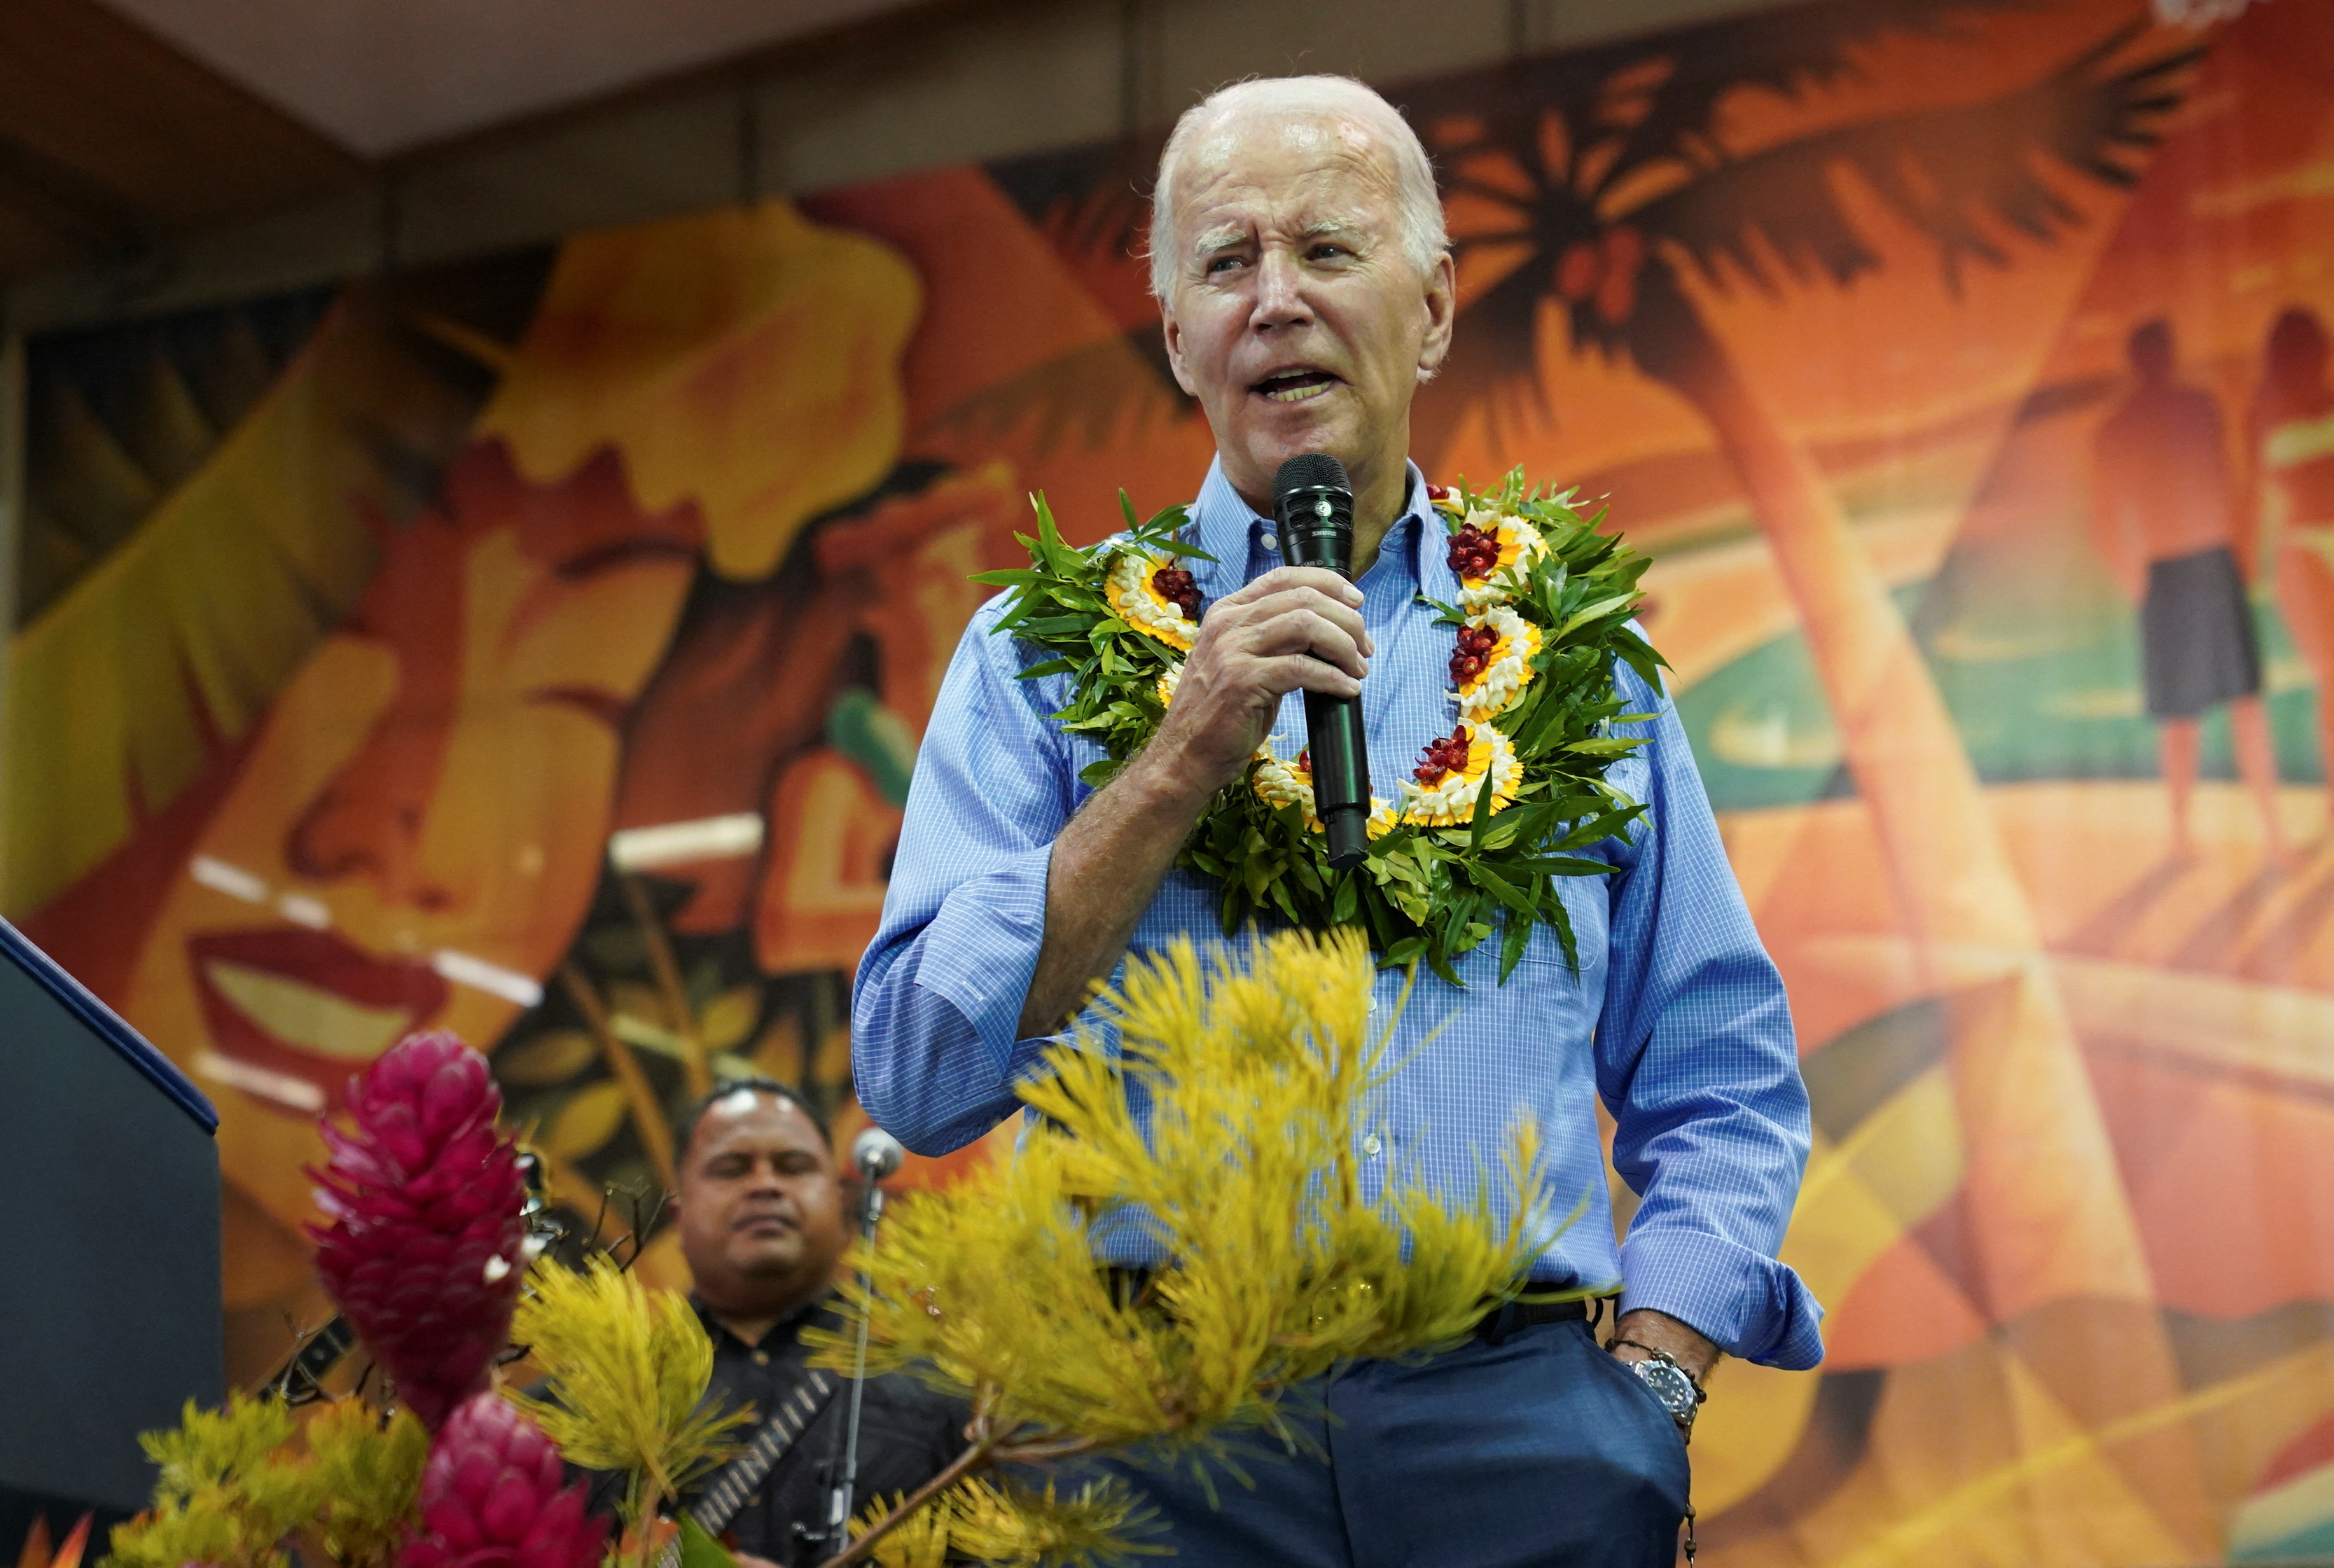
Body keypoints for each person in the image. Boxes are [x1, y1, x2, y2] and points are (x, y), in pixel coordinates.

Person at [853, 75, 1818, 1567]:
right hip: (1159, 1432)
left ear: (1431, 306)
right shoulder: (1034, 654)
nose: (1275, 301)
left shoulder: (1564, 652)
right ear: (1176, 335)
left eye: (1326, 249)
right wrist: (1180, 753)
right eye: (1225, 264)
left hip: (1522, 1438)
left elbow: (1724, 1079)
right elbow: (917, 1073)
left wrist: (1650, 1384)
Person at [660, 1079, 966, 1568]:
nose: (764, 1183)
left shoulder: (944, 1383)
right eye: (731, 1168)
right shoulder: (599, 1394)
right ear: (678, 1213)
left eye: (793, 1166)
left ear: (842, 1203)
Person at [2091, 317, 2286, 861]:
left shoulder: (2197, 406)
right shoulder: (2119, 429)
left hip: (2210, 562)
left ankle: (2272, 834)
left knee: (2244, 703)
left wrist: (2241, 553)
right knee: (2182, 717)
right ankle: (2180, 835)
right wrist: (2135, 581)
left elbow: (2228, 479)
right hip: (2170, 571)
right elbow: (2103, 518)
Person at [2250, 306, 2334, 819]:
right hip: (2303, 559)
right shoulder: (2267, 413)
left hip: (2300, 558)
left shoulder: (2265, 413)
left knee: (2329, 679)